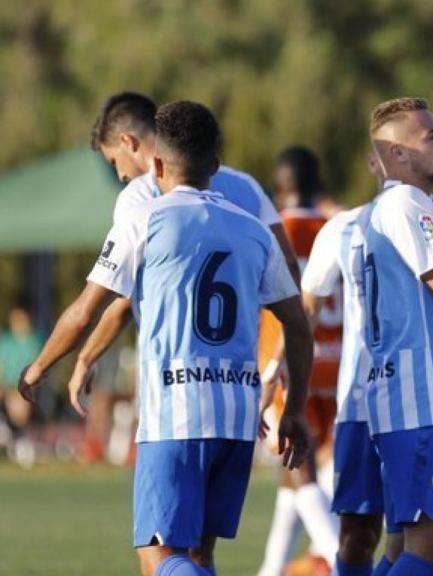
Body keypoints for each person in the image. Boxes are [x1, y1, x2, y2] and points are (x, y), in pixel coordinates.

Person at [18, 101, 313, 576]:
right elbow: (298, 327)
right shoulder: (254, 229)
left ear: (154, 166)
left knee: (160, 563)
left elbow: (84, 311)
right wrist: (294, 408)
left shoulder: (144, 218)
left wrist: (37, 369)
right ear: (215, 167)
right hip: (237, 419)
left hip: (174, 415)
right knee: (198, 554)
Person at [61, 92, 303, 434]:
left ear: (128, 142)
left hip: (173, 394)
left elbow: (120, 300)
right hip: (238, 386)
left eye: (114, 162)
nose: (119, 175)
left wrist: (80, 358)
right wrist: (281, 353)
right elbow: (290, 273)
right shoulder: (246, 192)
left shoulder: (138, 204)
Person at [361, 97, 433, 576]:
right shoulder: (407, 202)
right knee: (432, 541)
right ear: (398, 155)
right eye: (432, 137)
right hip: (423, 401)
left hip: (411, 398)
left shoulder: (406, 204)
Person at [257, 146, 341, 576]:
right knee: (291, 479)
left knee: (299, 472)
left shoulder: (273, 231)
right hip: (336, 362)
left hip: (292, 365)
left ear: (279, 185)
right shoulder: (334, 227)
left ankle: (337, 558)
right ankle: (271, 571)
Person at [0, 305, 42, 464]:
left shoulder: (34, 341)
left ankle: (19, 441)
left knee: (19, 411)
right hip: (6, 385)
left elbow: (36, 366)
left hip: (24, 387)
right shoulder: (6, 341)